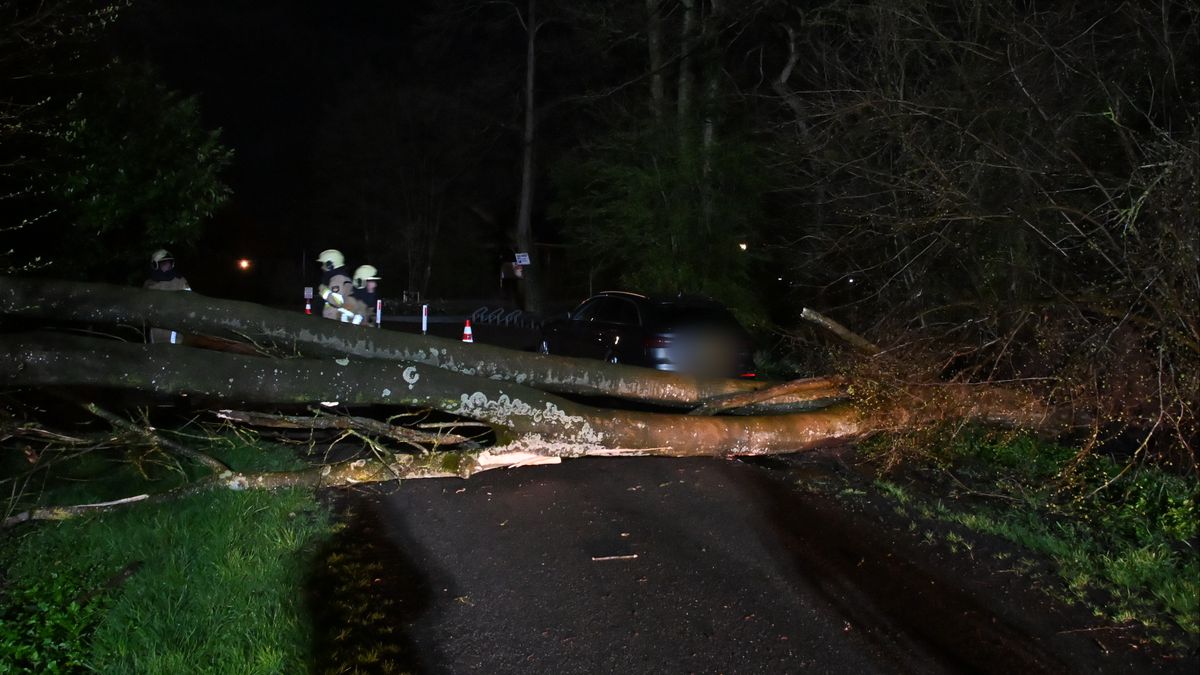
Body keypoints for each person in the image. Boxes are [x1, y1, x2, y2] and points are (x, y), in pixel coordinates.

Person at [144, 249, 191, 343]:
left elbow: (189, 302)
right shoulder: (149, 284)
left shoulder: (180, 281)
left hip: (175, 329)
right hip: (156, 329)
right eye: (163, 263)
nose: (167, 266)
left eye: (169, 263)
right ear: (155, 265)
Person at [316, 249, 353, 321]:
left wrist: (323, 290)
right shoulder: (343, 277)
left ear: (329, 265)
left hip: (334, 319)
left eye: (323, 264)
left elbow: (337, 302)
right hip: (339, 319)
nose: (322, 267)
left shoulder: (337, 279)